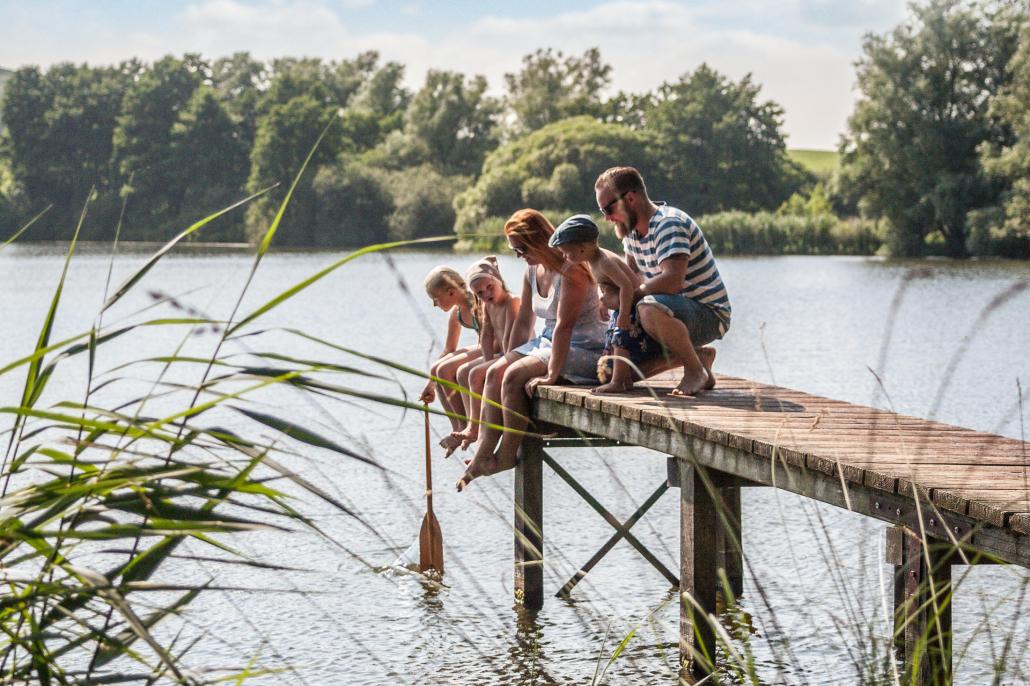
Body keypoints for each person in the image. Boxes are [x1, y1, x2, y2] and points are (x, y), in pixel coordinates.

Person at [457, 209, 607, 491]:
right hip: (548, 341)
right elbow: (525, 319)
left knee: (513, 377)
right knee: (494, 373)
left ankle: (504, 457)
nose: (519, 256)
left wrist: (551, 376)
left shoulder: (571, 270)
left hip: (584, 346)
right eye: (515, 250)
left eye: (522, 249)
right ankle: (482, 452)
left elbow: (564, 327)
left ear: (539, 239)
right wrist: (507, 357)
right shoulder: (531, 270)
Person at [594, 166, 730, 396]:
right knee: (608, 371)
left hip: (707, 314)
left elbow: (672, 281)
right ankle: (697, 356)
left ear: (630, 198)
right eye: (601, 210)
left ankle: (695, 370)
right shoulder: (631, 233)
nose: (606, 217)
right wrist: (606, 292)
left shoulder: (669, 224)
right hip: (667, 313)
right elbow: (631, 276)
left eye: (608, 208)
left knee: (647, 308)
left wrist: (628, 297)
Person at [547, 214, 657, 394]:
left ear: (582, 249)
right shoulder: (591, 260)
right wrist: (602, 301)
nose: (565, 258)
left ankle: (618, 381)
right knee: (612, 341)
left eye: (567, 253)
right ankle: (625, 380)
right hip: (620, 307)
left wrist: (622, 315)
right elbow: (604, 283)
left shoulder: (604, 262)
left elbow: (627, 286)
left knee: (621, 341)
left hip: (632, 307)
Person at [447, 256, 527, 452]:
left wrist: (494, 364)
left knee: (475, 373)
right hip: (499, 355)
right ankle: (470, 421)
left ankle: (474, 427)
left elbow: (511, 337)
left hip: (516, 353)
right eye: (479, 293)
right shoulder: (487, 305)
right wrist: (488, 359)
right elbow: (486, 334)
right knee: (463, 371)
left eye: (489, 287)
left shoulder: (512, 301)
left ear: (498, 280)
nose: (486, 294)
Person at [418, 266, 482, 439]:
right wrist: (431, 383)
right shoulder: (457, 312)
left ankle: (466, 425)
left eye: (436, 299)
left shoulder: (479, 305)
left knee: (446, 369)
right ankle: (457, 426)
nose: (434, 304)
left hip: (499, 348)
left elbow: (494, 341)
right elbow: (449, 349)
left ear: (451, 292)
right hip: (483, 346)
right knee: (438, 369)